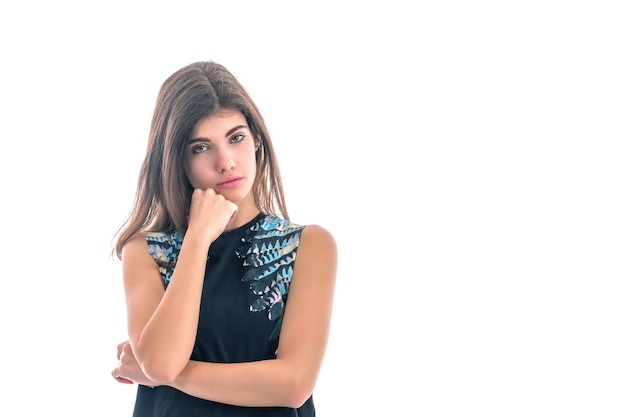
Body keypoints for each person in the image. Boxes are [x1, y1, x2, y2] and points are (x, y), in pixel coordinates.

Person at [110, 61, 338, 417]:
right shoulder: (146, 252)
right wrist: (198, 238)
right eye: (201, 147)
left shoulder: (307, 246)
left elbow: (293, 385)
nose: (226, 161)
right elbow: (162, 363)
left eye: (236, 138)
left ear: (257, 139)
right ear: (176, 160)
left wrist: (165, 374)